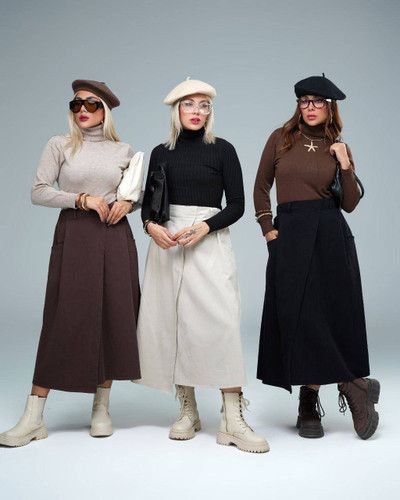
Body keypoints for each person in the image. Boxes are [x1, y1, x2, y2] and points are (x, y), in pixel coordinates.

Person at [0, 79, 143, 447]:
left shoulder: (124, 150)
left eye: (91, 104)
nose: (82, 109)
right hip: (76, 234)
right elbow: (39, 191)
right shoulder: (59, 144)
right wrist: (81, 199)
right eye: (76, 103)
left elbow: (136, 193)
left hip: (114, 237)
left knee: (113, 316)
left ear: (104, 111)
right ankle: (34, 417)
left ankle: (101, 409)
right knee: (62, 316)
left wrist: (128, 204)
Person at [134, 77, 269, 453]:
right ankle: (188, 410)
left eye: (204, 105)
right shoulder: (161, 152)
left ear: (211, 111)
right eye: (189, 104)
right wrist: (150, 228)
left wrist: (206, 227)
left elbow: (238, 204)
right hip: (168, 241)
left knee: (222, 322)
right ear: (176, 110)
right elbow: (149, 205)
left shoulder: (223, 150)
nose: (197, 111)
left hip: (208, 238)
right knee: (173, 322)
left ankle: (232, 419)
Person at [254, 73, 380, 440]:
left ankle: (310, 400)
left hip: (330, 234)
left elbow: (350, 203)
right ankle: (352, 384)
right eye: (305, 101)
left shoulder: (337, 146)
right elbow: (261, 187)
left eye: (318, 101)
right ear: (298, 105)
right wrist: (268, 230)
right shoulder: (280, 138)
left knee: (329, 314)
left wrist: (345, 163)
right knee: (299, 315)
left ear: (330, 107)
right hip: (290, 233)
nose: (311, 107)